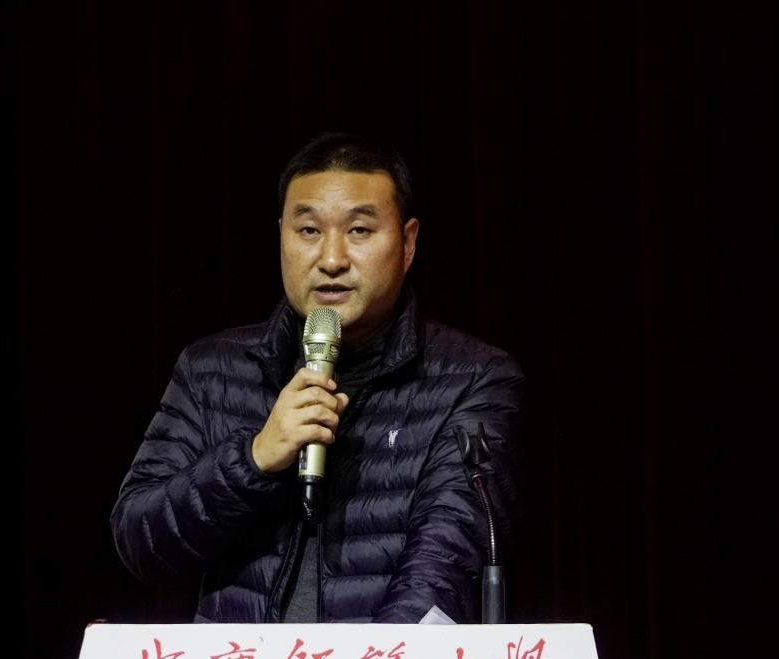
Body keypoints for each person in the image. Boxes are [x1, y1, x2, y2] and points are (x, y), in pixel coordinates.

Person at [111, 133, 523, 623]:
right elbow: (142, 543)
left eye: (359, 231)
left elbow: (443, 572)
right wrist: (254, 458)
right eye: (308, 230)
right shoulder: (211, 370)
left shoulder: (472, 379)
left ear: (408, 242)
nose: (331, 259)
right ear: (281, 236)